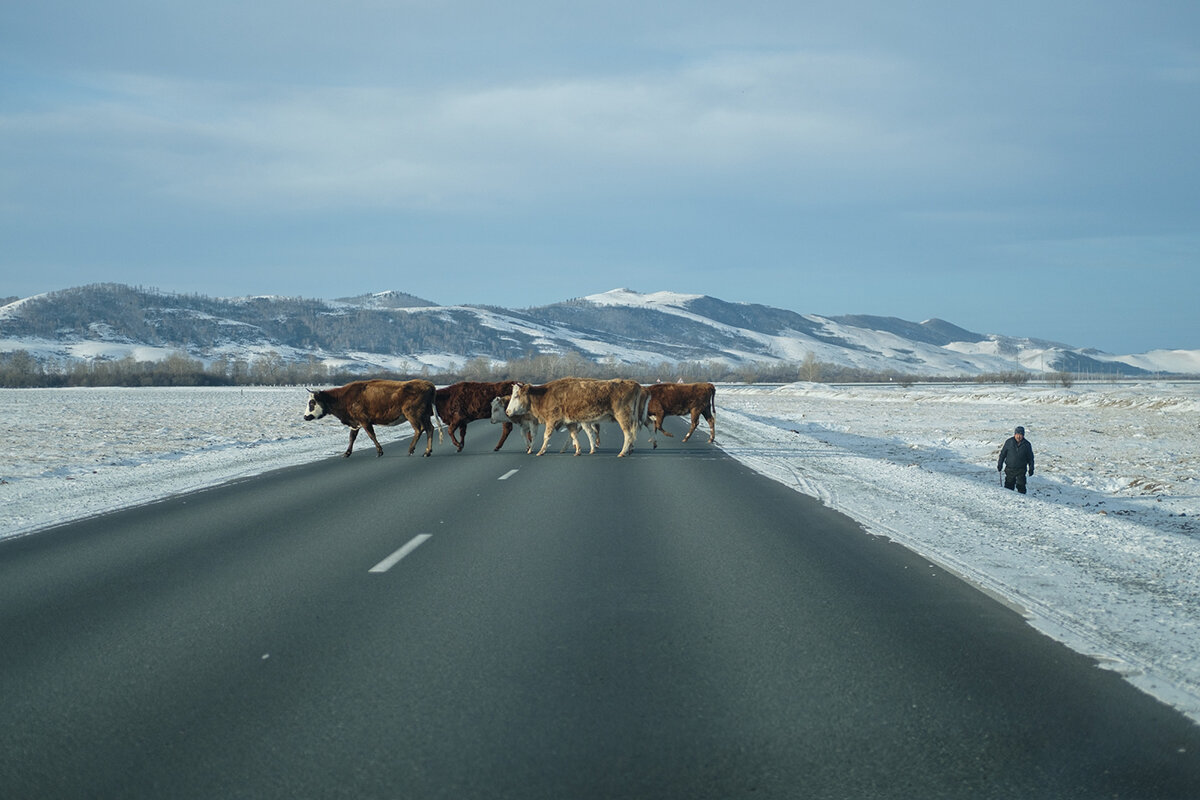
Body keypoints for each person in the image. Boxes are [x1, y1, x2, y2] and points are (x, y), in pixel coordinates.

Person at [997, 426, 1035, 494]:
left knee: (1021, 486)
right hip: (1010, 469)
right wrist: (1000, 464)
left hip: (1021, 470)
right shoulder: (1009, 442)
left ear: (1023, 435)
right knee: (1009, 486)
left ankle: (1023, 500)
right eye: (1017, 434)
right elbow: (1003, 454)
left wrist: (1031, 468)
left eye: (1020, 435)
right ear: (1015, 434)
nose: (1019, 436)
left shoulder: (1027, 444)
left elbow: (1030, 458)